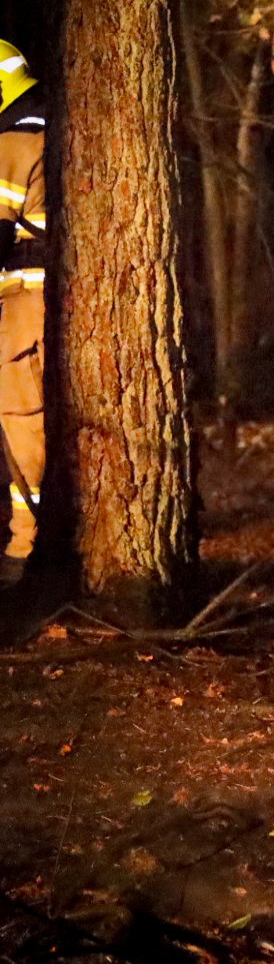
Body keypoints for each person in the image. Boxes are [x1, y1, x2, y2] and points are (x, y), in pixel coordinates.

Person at [0, 40, 47, 585]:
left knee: (20, 427)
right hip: (35, 310)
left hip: (23, 314)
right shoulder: (44, 135)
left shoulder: (14, 145)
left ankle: (22, 552)